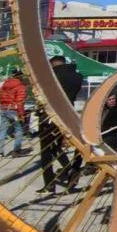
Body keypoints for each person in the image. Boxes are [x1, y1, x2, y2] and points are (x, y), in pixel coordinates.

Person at [38, 56, 83, 193]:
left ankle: (50, 183)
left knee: (46, 151)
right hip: (68, 114)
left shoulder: (51, 77)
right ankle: (70, 171)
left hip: (50, 115)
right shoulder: (77, 76)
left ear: (53, 65)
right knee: (57, 147)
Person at [0, 69, 27, 158]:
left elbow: (0, 98)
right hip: (14, 110)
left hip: (3, 109)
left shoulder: (4, 85)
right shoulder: (20, 86)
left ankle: (0, 153)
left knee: (2, 130)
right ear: (20, 76)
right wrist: (21, 114)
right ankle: (16, 151)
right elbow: (20, 101)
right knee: (18, 130)